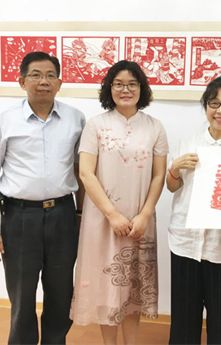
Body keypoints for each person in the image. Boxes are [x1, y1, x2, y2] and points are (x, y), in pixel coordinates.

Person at [0, 51, 85, 344]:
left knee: (61, 291)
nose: (44, 81)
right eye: (36, 75)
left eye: (50, 75)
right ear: (22, 81)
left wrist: (80, 214)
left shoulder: (76, 119)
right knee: (22, 294)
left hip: (63, 215)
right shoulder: (4, 120)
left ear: (60, 83)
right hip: (19, 217)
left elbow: (81, 173)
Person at [70, 60, 168, 345]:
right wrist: (112, 214)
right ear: (109, 88)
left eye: (132, 84)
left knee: (133, 288)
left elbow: (159, 175)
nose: (126, 90)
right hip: (103, 220)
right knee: (107, 288)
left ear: (142, 88)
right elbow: (86, 173)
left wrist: (145, 214)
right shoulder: (96, 125)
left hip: (140, 220)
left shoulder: (154, 127)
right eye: (119, 84)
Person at [167, 76, 221, 345]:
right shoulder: (187, 142)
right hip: (184, 241)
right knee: (183, 318)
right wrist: (174, 168)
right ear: (205, 106)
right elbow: (172, 186)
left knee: (219, 318)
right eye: (214, 103)